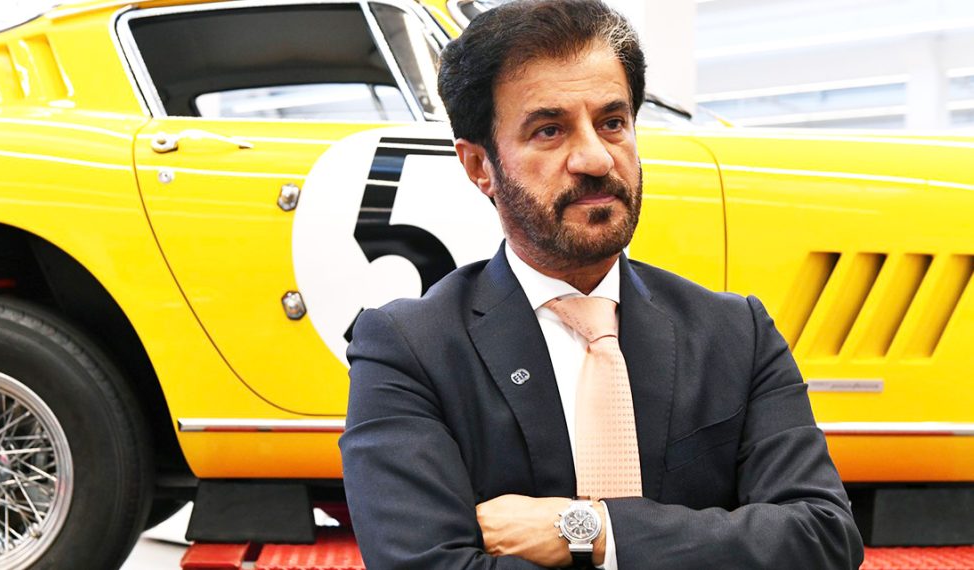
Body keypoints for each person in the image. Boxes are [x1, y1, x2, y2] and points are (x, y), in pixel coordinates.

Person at [339, 0, 865, 567]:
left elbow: (822, 538)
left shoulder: (736, 333)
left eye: (612, 123)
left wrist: (594, 530)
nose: (595, 158)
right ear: (479, 167)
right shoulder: (410, 350)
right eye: (549, 130)